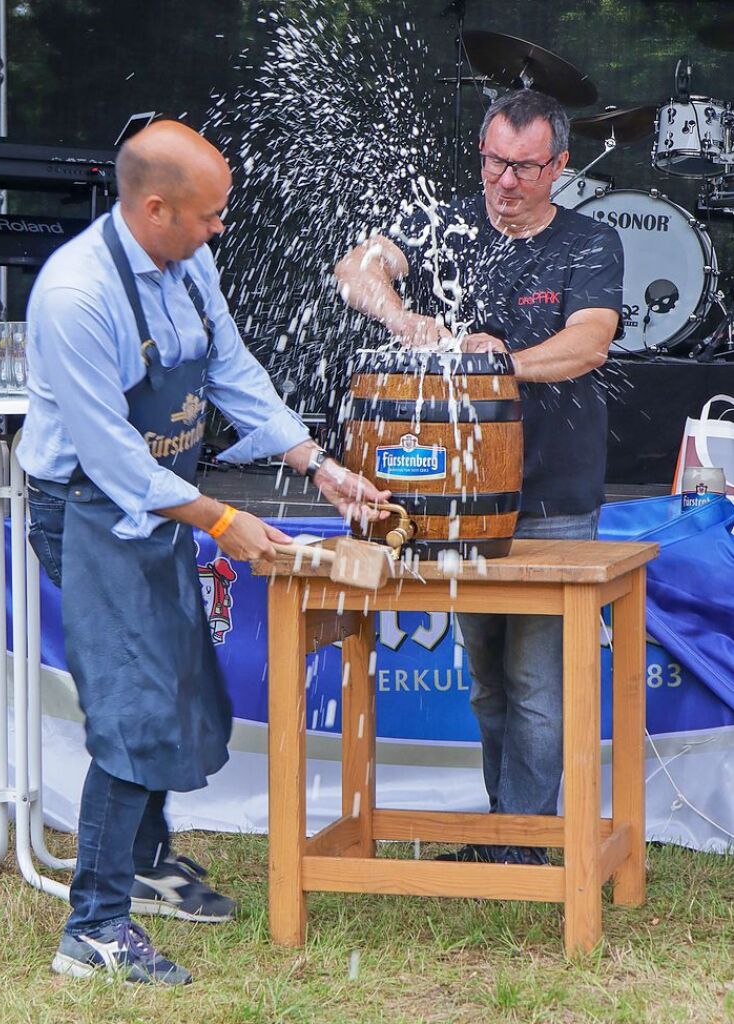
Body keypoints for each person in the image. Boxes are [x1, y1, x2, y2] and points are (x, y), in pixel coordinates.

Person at [17, 119, 390, 985]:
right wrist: (224, 522)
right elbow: (111, 461)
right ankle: (94, 928)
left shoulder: (189, 263)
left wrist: (318, 463)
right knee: (135, 704)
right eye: (209, 215)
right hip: (85, 508)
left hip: (157, 501)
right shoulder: (76, 296)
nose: (220, 228)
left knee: (175, 679)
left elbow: (231, 370)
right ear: (155, 208)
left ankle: (144, 865)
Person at [334, 90, 624, 866]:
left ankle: (526, 848)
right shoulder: (448, 222)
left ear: (558, 166)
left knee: (536, 686)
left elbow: (591, 341)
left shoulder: (590, 243)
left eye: (524, 167)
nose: (505, 181)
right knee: (488, 684)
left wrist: (498, 366)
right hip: (455, 504)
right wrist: (400, 317)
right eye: (495, 161)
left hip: (553, 497)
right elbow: (356, 267)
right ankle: (508, 832)